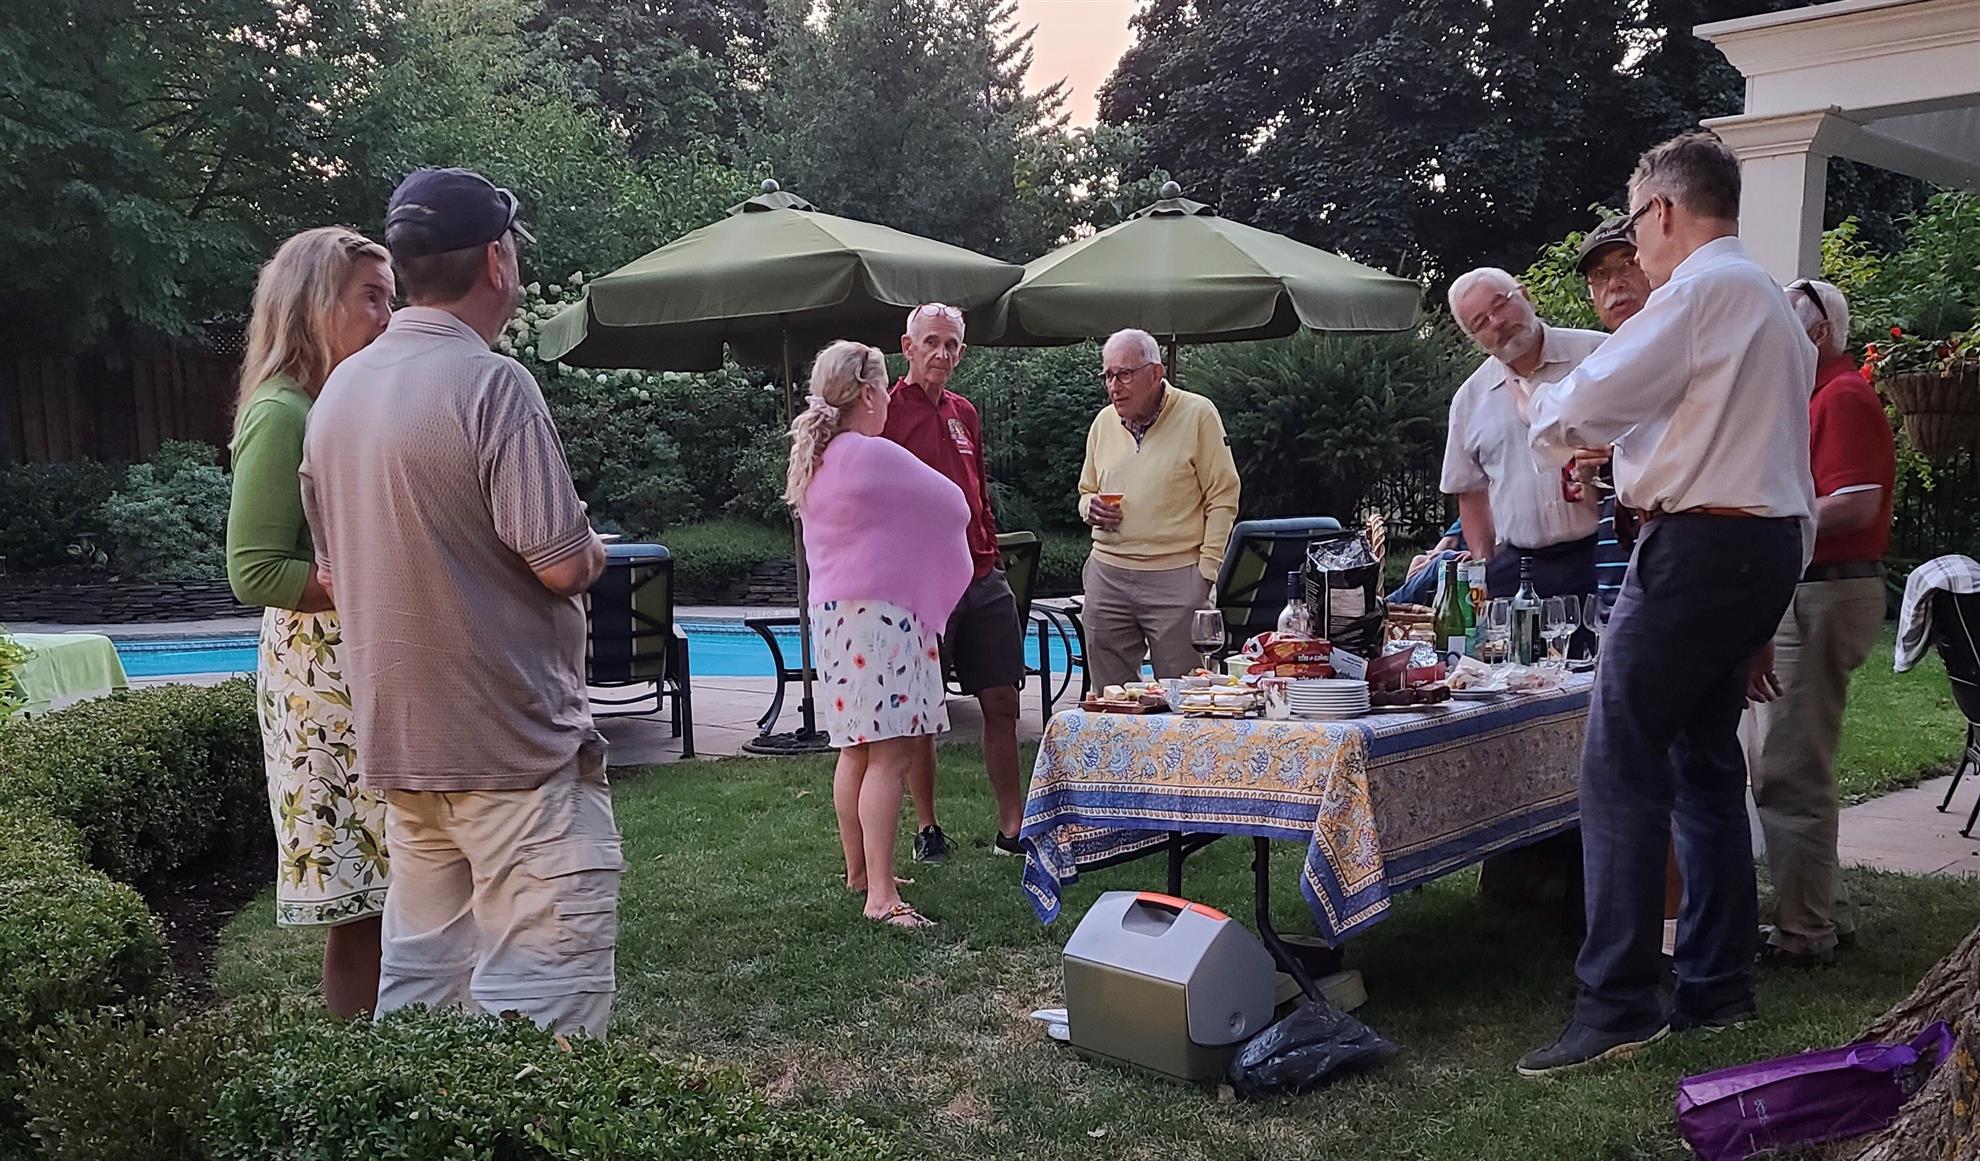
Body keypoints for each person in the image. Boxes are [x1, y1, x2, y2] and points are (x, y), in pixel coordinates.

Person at [1517, 132, 1814, 1078]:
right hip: (1761, 546)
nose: (1635, 244)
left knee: (1618, 761)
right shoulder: (1772, 302)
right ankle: (1717, 986)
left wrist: (1535, 399)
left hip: (1696, 550)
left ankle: (1616, 1003)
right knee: (1702, 759)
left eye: (1636, 221)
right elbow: (1740, 443)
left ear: (1664, 212)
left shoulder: (1696, 291)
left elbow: (1579, 403)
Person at [300, 167, 620, 1036]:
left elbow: (334, 572)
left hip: (406, 757)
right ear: (495, 261)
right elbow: (564, 564)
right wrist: (591, 542)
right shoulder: (492, 384)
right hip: (515, 753)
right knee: (546, 1017)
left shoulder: (337, 395)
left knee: (421, 1007)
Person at [225, 226, 394, 1019]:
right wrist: (375, 579)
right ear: (313, 302)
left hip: (361, 666)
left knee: (398, 883)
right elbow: (254, 568)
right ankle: (359, 1058)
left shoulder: (335, 402)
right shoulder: (281, 410)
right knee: (359, 897)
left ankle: (414, 1046)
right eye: (370, 297)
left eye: (391, 297)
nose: (387, 315)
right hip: (322, 682)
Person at [790, 340, 973, 928]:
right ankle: (882, 898)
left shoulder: (817, 460)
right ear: (870, 393)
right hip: (882, 623)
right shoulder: (871, 455)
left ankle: (862, 872)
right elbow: (955, 504)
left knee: (855, 750)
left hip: (835, 620)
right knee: (891, 755)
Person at [1748, 278, 1893, 968]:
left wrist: (1769, 518)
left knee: (1790, 767)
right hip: (1815, 589)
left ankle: (1804, 933)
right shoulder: (1816, 395)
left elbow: (1857, 503)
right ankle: (1821, 910)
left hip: (1821, 593)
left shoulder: (1841, 396)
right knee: (1790, 758)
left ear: (1816, 333)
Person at [881, 303, 1027, 863]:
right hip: (920, 585)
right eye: (931, 342)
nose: (941, 353)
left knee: (1002, 699)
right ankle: (927, 828)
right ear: (908, 347)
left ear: (962, 353)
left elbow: (977, 488)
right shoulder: (885, 412)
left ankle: (1013, 827)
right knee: (922, 707)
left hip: (982, 573)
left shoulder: (964, 411)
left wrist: (987, 540)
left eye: (951, 344)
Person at [1077, 329, 1241, 690]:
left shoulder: (1198, 415)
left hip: (1177, 576)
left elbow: (1223, 495)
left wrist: (1206, 572)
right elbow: (1086, 490)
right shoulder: (1103, 423)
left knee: (1187, 694)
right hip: (1108, 574)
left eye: (1124, 374)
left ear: (1156, 373)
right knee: (1111, 698)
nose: (1114, 386)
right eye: (1107, 375)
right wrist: (1090, 507)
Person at [1442, 269, 1607, 598]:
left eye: (1500, 305)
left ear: (1525, 295)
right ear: (1474, 339)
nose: (1497, 323)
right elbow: (1470, 491)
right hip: (1518, 566)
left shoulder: (1597, 354)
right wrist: (1484, 565)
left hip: (1601, 552)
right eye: (1480, 322)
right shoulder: (1470, 399)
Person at [1572, 215, 1655, 622]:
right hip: (1614, 581)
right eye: (1600, 276)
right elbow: (1597, 502)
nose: (1615, 284)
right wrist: (1589, 473)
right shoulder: (1602, 367)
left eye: (1628, 264)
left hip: (1671, 575)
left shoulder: (1678, 351)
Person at [1386, 519, 1468, 607]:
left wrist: (1474, 554)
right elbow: (1450, 540)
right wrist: (1428, 561)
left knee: (1446, 557)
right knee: (1418, 560)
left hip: (1472, 561)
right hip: (1461, 558)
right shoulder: (1470, 514)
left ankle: (1393, 601)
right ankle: (1409, 606)